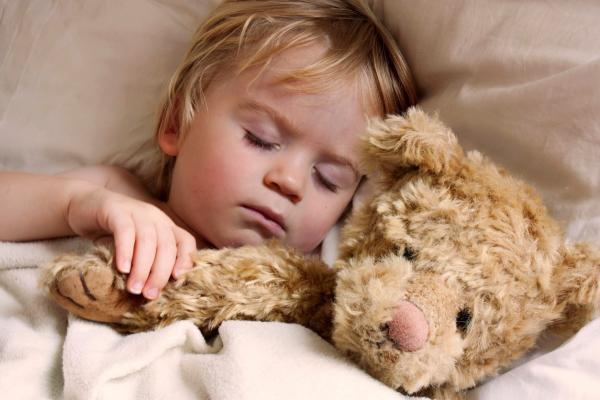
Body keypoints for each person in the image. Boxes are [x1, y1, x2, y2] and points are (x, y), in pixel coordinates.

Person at [0, 0, 416, 300]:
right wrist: (78, 204)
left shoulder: (305, 287)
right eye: (260, 138)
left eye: (329, 180)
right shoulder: (118, 195)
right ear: (177, 123)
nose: (289, 182)